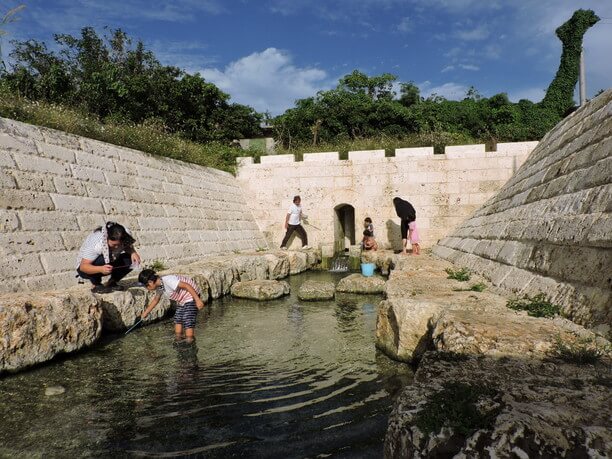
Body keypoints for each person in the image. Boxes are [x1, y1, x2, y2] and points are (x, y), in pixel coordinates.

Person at [138, 269, 205, 342]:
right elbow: (156, 300)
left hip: (191, 296)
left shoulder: (168, 280)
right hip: (182, 300)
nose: (146, 288)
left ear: (150, 282)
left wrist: (197, 300)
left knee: (187, 318)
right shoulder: (160, 287)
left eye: (146, 286)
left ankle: (189, 339)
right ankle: (178, 338)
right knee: (177, 319)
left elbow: (186, 286)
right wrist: (145, 313)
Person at [76, 221, 141, 292]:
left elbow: (127, 246)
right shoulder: (97, 244)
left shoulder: (125, 234)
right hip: (87, 269)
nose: (117, 247)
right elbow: (83, 267)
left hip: (110, 261)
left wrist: (133, 252)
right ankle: (96, 284)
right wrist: (100, 269)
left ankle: (112, 282)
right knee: (102, 259)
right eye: (113, 245)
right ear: (107, 239)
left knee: (131, 259)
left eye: (119, 245)